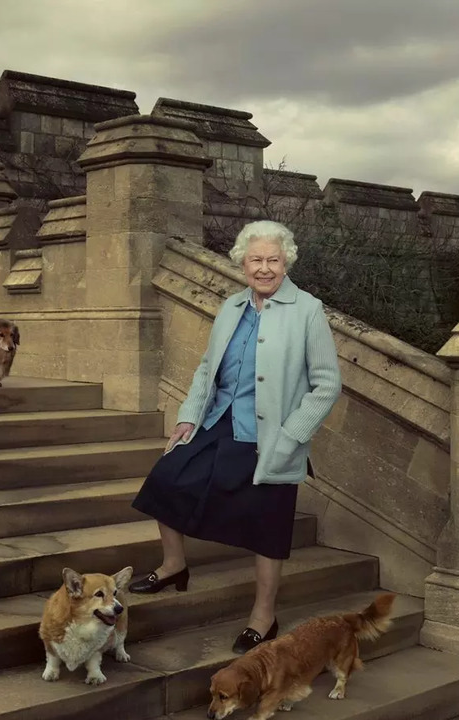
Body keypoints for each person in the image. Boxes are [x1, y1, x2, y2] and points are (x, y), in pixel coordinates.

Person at [129, 219, 342, 654]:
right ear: (242, 263)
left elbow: (327, 384)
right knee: (166, 480)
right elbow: (208, 368)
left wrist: (292, 436)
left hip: (271, 435)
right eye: (255, 260)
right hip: (220, 421)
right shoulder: (230, 307)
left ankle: (264, 616)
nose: (264, 268)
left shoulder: (308, 310)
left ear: (287, 263)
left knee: (268, 523)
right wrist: (188, 417)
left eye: (273, 260)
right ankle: (173, 566)